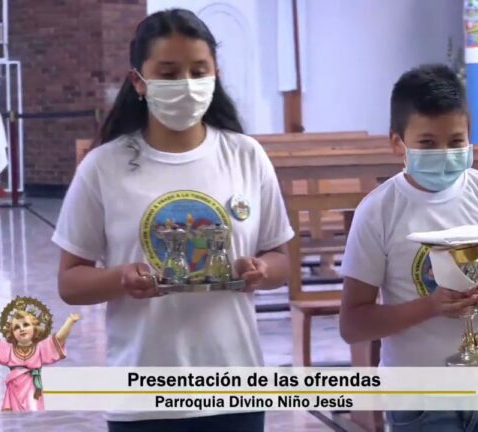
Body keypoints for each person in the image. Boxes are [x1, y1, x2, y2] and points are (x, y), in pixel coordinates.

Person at [52, 9, 294, 432]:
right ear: (139, 82)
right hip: (143, 396)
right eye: (168, 72)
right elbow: (70, 281)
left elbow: (280, 259)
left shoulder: (245, 155)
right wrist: (121, 277)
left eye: (198, 71)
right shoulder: (104, 166)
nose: (185, 84)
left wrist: (261, 270)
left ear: (215, 74)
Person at [338, 64, 478, 432]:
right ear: (397, 143)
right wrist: (431, 305)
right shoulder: (378, 211)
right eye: (427, 144)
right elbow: (353, 324)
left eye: (456, 142)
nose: (445, 154)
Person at [0, 303, 80, 412]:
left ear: (35, 328)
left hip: (34, 392)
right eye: (17, 327)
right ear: (12, 333)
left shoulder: (40, 348)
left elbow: (59, 339)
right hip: (14, 394)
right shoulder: (9, 350)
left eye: (26, 325)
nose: (22, 329)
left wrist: (70, 321)